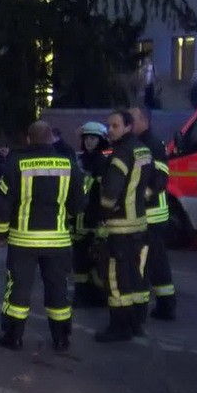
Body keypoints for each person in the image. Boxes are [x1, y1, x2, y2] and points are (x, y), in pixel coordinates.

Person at [0, 121, 86, 351]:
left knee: (18, 290)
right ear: (51, 139)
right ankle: (62, 338)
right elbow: (78, 203)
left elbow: (3, 204)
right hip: (58, 240)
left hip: (23, 240)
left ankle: (13, 337)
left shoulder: (16, 163)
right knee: (58, 289)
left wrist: (0, 234)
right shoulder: (69, 163)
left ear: (28, 139)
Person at [95, 110, 153, 343]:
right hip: (138, 222)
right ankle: (137, 321)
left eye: (115, 126)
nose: (110, 130)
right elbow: (148, 184)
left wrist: (103, 211)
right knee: (134, 275)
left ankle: (119, 327)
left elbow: (111, 192)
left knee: (116, 278)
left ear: (128, 127)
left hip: (119, 225)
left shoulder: (121, 154)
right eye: (109, 126)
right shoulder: (143, 150)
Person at [130, 107, 176, 321]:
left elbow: (160, 177)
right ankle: (166, 306)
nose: (129, 123)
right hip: (150, 213)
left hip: (152, 214)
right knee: (157, 262)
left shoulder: (151, 144)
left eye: (132, 119)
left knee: (149, 263)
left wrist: (142, 196)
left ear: (144, 121)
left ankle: (161, 307)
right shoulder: (143, 142)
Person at [72, 121, 110, 307]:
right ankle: (82, 295)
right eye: (87, 138)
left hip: (93, 219)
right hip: (78, 218)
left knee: (94, 260)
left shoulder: (102, 163)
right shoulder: (80, 160)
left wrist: (102, 220)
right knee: (79, 260)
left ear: (101, 140)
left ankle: (96, 296)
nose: (89, 142)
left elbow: (104, 193)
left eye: (93, 138)